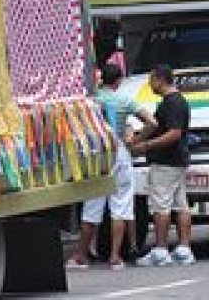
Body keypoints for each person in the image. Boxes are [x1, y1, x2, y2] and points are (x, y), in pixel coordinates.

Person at [66, 63, 155, 270]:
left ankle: (81, 255)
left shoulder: (90, 101)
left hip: (96, 155)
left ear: (102, 79)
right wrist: (136, 141)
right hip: (119, 153)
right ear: (118, 81)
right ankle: (115, 257)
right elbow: (152, 122)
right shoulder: (124, 99)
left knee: (91, 206)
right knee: (120, 205)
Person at [131, 63, 196, 266]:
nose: (150, 84)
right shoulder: (176, 101)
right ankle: (184, 250)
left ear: (160, 79)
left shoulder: (172, 103)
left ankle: (160, 250)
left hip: (166, 161)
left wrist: (147, 145)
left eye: (152, 80)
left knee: (161, 206)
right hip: (178, 160)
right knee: (181, 205)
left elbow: (174, 133)